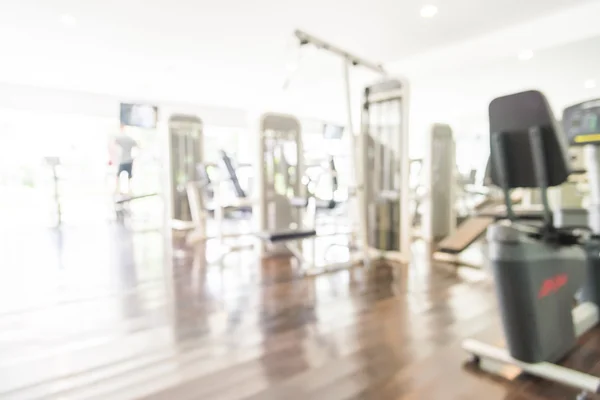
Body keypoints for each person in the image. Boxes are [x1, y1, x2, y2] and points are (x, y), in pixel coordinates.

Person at [111, 127, 138, 196]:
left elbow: (115, 141)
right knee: (128, 177)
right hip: (128, 160)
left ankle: (118, 189)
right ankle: (127, 190)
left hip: (124, 160)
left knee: (120, 176)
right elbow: (138, 145)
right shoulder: (130, 139)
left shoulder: (121, 138)